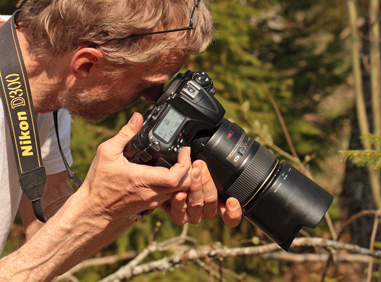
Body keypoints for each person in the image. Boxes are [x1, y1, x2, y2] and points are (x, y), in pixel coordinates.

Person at [0, 0, 242, 281]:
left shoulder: (49, 81)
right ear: (87, 64)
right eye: (148, 84)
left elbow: (48, 224)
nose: (154, 98)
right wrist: (94, 208)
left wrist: (137, 194)